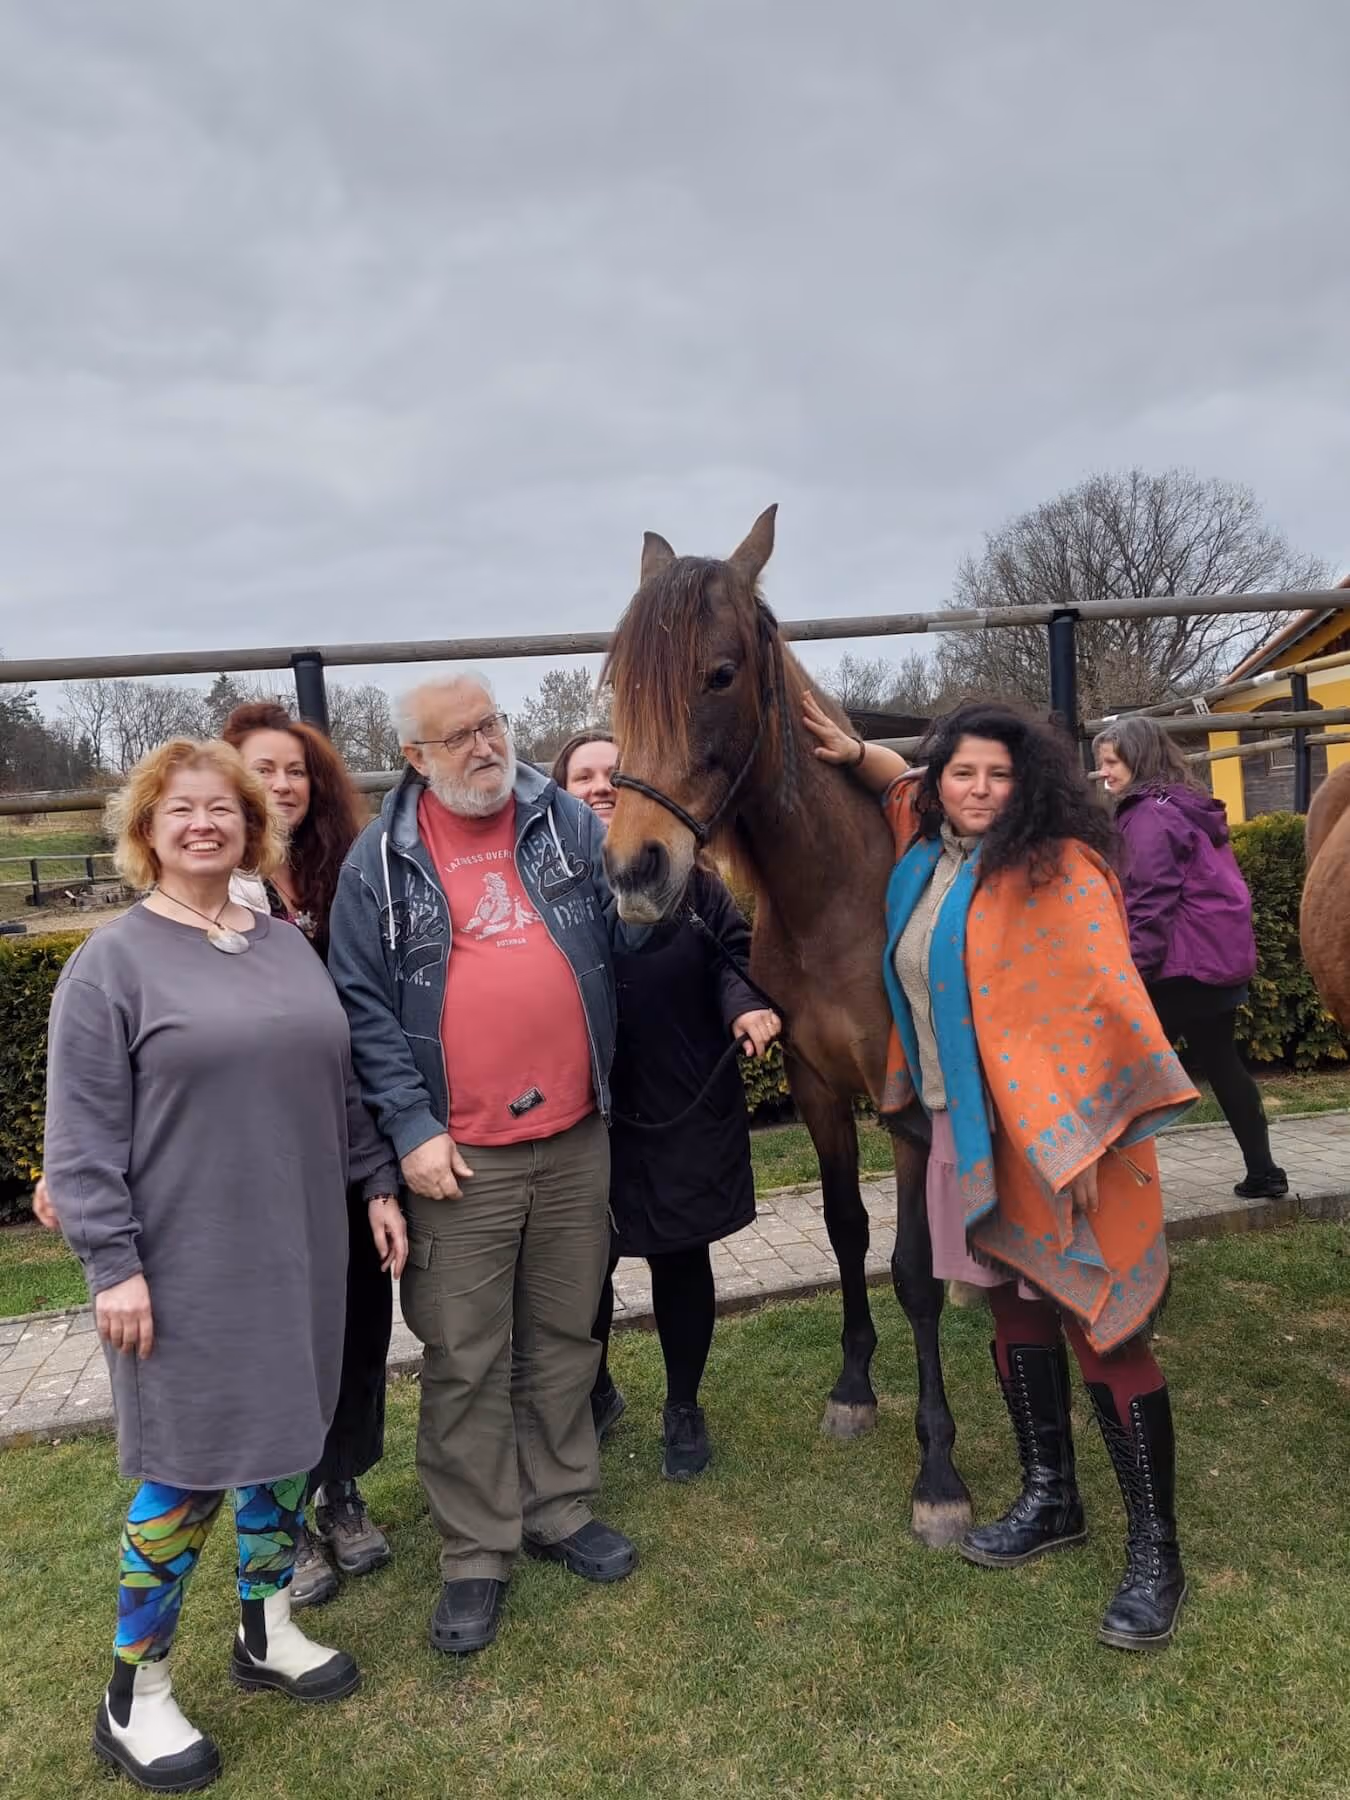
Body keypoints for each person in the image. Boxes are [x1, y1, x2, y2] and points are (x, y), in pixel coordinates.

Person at [42, 738, 404, 1794]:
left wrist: (377, 1180)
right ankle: (135, 1695)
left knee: (287, 1445)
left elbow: (338, 1087)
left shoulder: (284, 941)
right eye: (181, 808)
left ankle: (265, 1629)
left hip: (302, 1244)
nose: (205, 824)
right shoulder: (110, 961)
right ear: (146, 830)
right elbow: (81, 1136)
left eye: (225, 809)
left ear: (254, 827)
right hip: (182, 1261)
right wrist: (113, 1264)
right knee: (185, 1473)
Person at [803, 693, 1198, 1653]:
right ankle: (1051, 1497)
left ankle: (1157, 1552)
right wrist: (854, 749)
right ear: (937, 786)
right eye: (961, 773)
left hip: (1063, 1145)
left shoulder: (1059, 869)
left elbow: (1105, 1002)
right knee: (1013, 1308)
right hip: (961, 1132)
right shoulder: (927, 856)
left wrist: (1086, 1146)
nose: (979, 790)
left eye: (1000, 774)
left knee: (1102, 1326)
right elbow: (893, 782)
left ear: (1031, 785)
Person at [327, 674, 636, 1660]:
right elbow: (361, 1007)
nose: (483, 745)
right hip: (459, 1158)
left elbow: (639, 914)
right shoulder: (380, 862)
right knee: (464, 1355)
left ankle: (558, 1505)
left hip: (576, 1136)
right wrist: (411, 1128)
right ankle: (475, 1550)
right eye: (457, 735)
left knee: (562, 1332)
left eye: (491, 724)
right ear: (414, 757)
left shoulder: (564, 825)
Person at [551, 732, 781, 1480]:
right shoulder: (544, 893)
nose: (598, 785)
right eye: (581, 775)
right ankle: (594, 1390)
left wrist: (744, 1005)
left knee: (682, 1260)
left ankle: (683, 1405)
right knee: (582, 1269)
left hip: (681, 1102)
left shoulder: (693, 880)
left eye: (612, 773)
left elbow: (735, 956)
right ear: (558, 793)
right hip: (586, 1114)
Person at [222, 700, 397, 1608]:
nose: (282, 785)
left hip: (354, 1140)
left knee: (359, 1327)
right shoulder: (218, 899)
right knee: (279, 1339)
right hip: (267, 1157)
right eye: (262, 769)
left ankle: (341, 1489)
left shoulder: (341, 882)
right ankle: (278, 1518)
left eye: (295, 770)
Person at [1094, 715, 1287, 1200]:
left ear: (1138, 759)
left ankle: (1108, 1188)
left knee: (1119, 1069)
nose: (1104, 774)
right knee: (1223, 1062)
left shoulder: (1150, 816)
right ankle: (1265, 1173)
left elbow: (1150, 899)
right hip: (1212, 964)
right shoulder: (1182, 804)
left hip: (1177, 968)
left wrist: (1132, 971)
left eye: (1111, 762)